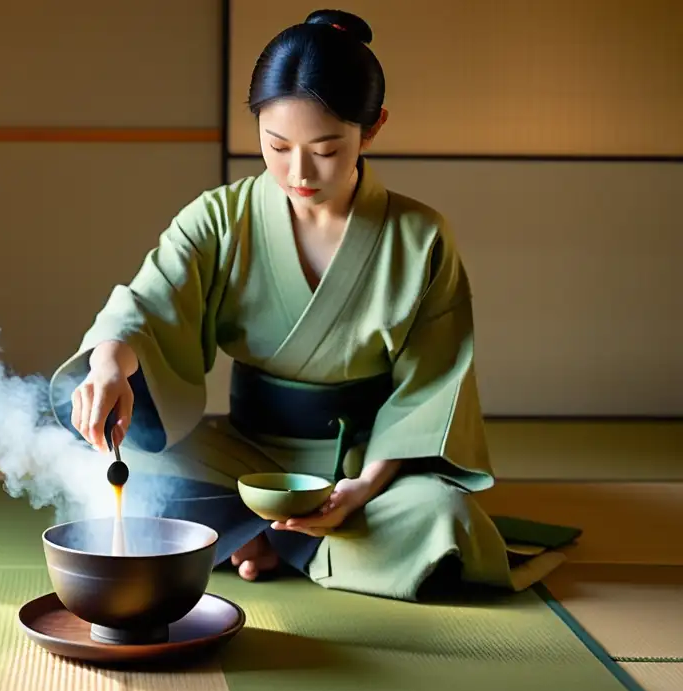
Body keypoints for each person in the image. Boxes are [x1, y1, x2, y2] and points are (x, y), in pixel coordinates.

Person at [49, 9, 567, 601]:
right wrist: (109, 365)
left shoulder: (420, 237)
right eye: (276, 145)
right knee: (131, 473)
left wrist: (364, 489)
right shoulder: (221, 218)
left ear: (371, 130)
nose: (297, 172)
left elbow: (432, 385)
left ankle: (254, 540)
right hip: (244, 461)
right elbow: (147, 300)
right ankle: (289, 539)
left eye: (325, 149)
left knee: (445, 521)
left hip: (368, 466)